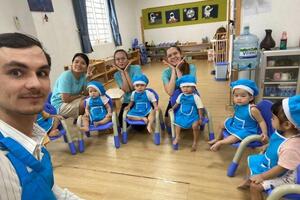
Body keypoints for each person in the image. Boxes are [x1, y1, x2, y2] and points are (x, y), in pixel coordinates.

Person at [0, 33, 81, 199]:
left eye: (42, 73)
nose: (35, 84)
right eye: (16, 72)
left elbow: (52, 192)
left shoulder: (34, 138)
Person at [248, 95, 300, 200]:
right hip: (276, 163)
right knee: (252, 160)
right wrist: (268, 146)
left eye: (272, 118)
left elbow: (281, 168)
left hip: (287, 177)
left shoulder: (291, 147)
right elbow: (277, 143)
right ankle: (249, 179)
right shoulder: (283, 132)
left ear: (287, 125)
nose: (271, 120)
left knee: (255, 187)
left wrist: (262, 177)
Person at [209, 79, 268, 151]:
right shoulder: (238, 105)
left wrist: (264, 133)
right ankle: (218, 138)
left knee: (234, 137)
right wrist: (232, 117)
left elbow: (261, 121)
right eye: (236, 96)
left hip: (247, 130)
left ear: (251, 97)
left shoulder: (252, 109)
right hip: (236, 124)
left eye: (243, 96)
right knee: (222, 124)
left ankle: (221, 142)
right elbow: (236, 113)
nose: (239, 98)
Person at [161, 46, 196, 126]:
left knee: (192, 122)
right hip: (175, 100)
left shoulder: (191, 68)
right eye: (169, 56)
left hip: (190, 99)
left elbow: (189, 87)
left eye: (175, 53)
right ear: (167, 59)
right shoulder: (166, 73)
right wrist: (173, 70)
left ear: (181, 54)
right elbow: (170, 92)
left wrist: (178, 71)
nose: (173, 57)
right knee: (168, 124)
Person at [51, 53, 92, 119]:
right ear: (72, 64)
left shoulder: (83, 76)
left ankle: (87, 118)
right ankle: (86, 120)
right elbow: (65, 99)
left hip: (72, 100)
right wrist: (79, 95)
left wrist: (87, 79)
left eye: (83, 63)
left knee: (94, 97)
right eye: (76, 62)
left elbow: (85, 93)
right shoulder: (66, 76)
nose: (79, 65)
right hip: (60, 105)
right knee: (89, 102)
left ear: (86, 67)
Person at [170, 75, 204, 151]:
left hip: (193, 115)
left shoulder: (195, 97)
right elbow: (177, 103)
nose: (185, 89)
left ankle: (195, 142)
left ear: (194, 87)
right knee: (177, 122)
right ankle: (177, 136)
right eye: (183, 87)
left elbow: (200, 108)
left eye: (188, 86)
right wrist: (172, 108)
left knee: (195, 126)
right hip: (182, 113)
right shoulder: (181, 95)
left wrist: (200, 117)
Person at [113, 49, 142, 126]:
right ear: (115, 62)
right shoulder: (116, 75)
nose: (120, 61)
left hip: (140, 99)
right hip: (127, 101)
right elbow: (126, 90)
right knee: (122, 124)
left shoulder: (136, 68)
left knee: (139, 126)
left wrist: (126, 72)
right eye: (118, 59)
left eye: (123, 58)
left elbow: (134, 88)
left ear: (127, 59)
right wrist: (123, 73)